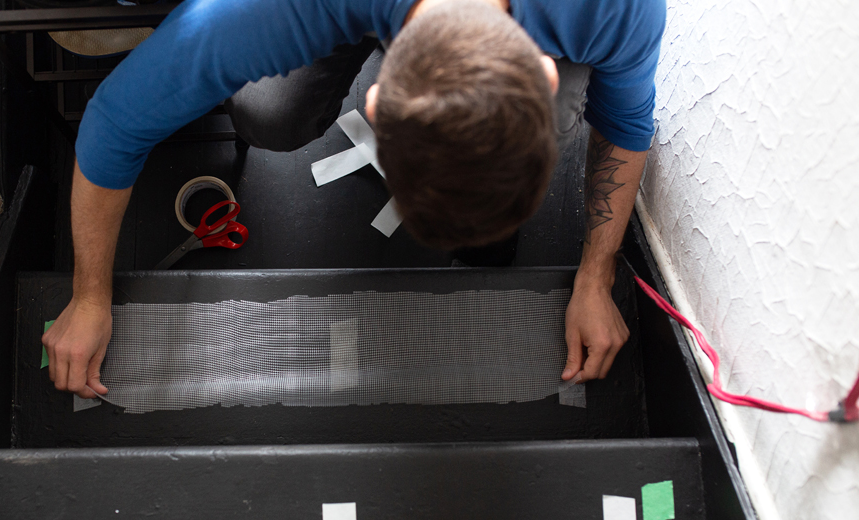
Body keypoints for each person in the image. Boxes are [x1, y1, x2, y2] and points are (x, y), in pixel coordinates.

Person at [42, 0, 666, 399]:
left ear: (547, 69)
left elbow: (628, 125)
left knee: (555, 123)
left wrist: (596, 273)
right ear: (372, 103)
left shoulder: (614, 8)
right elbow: (117, 122)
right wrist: (90, 292)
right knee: (269, 115)